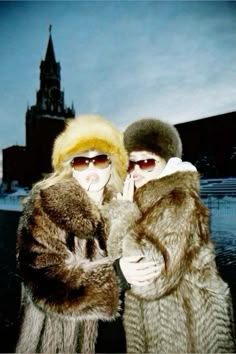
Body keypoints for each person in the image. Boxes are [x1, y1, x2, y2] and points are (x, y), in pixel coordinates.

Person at [15, 114, 158, 354]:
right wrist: (115, 274)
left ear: (111, 164)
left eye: (100, 159)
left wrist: (126, 217)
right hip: (63, 339)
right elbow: (44, 279)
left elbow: (144, 267)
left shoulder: (121, 204)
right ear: (69, 167)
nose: (91, 168)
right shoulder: (47, 207)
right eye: (81, 161)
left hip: (116, 339)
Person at [105, 118, 236, 353]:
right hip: (160, 327)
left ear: (168, 163)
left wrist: (122, 215)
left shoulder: (177, 201)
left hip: (185, 331)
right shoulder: (146, 202)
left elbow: (147, 278)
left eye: (145, 163)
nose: (135, 172)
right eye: (130, 164)